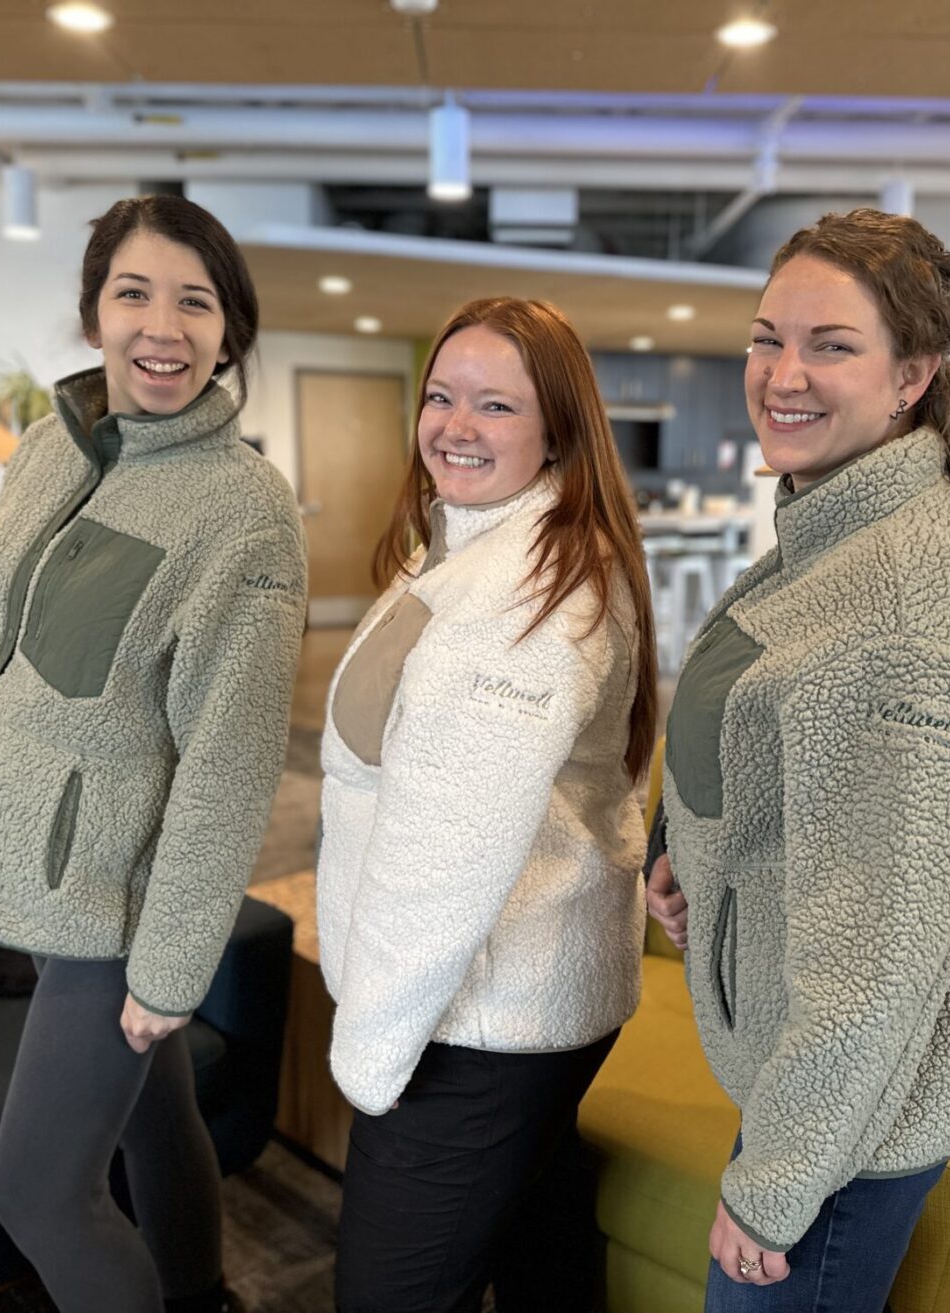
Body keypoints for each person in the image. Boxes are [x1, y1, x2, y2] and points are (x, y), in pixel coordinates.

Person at [644, 208, 950, 1312]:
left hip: (844, 1114)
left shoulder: (902, 610)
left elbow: (876, 958)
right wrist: (691, 852)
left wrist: (775, 1185)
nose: (782, 373)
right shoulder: (832, 529)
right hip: (822, 1073)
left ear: (910, 376)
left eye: (830, 344)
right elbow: (782, 755)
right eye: (765, 336)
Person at [0, 195, 306, 1313]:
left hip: (116, 890)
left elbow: (229, 764)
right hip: (42, 866)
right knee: (160, 1109)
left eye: (196, 301)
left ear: (229, 329)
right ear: (94, 312)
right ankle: (195, 1290)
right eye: (135, 293)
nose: (164, 326)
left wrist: (169, 967)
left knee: (40, 1195)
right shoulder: (50, 447)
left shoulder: (244, 510)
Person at [316, 297, 658, 1312]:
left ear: (557, 428)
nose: (454, 426)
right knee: (538, 1247)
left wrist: (371, 1049)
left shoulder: (525, 595)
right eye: (440, 396)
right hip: (521, 995)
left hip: (473, 1015)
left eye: (495, 405)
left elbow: (445, 852)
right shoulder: (483, 545)